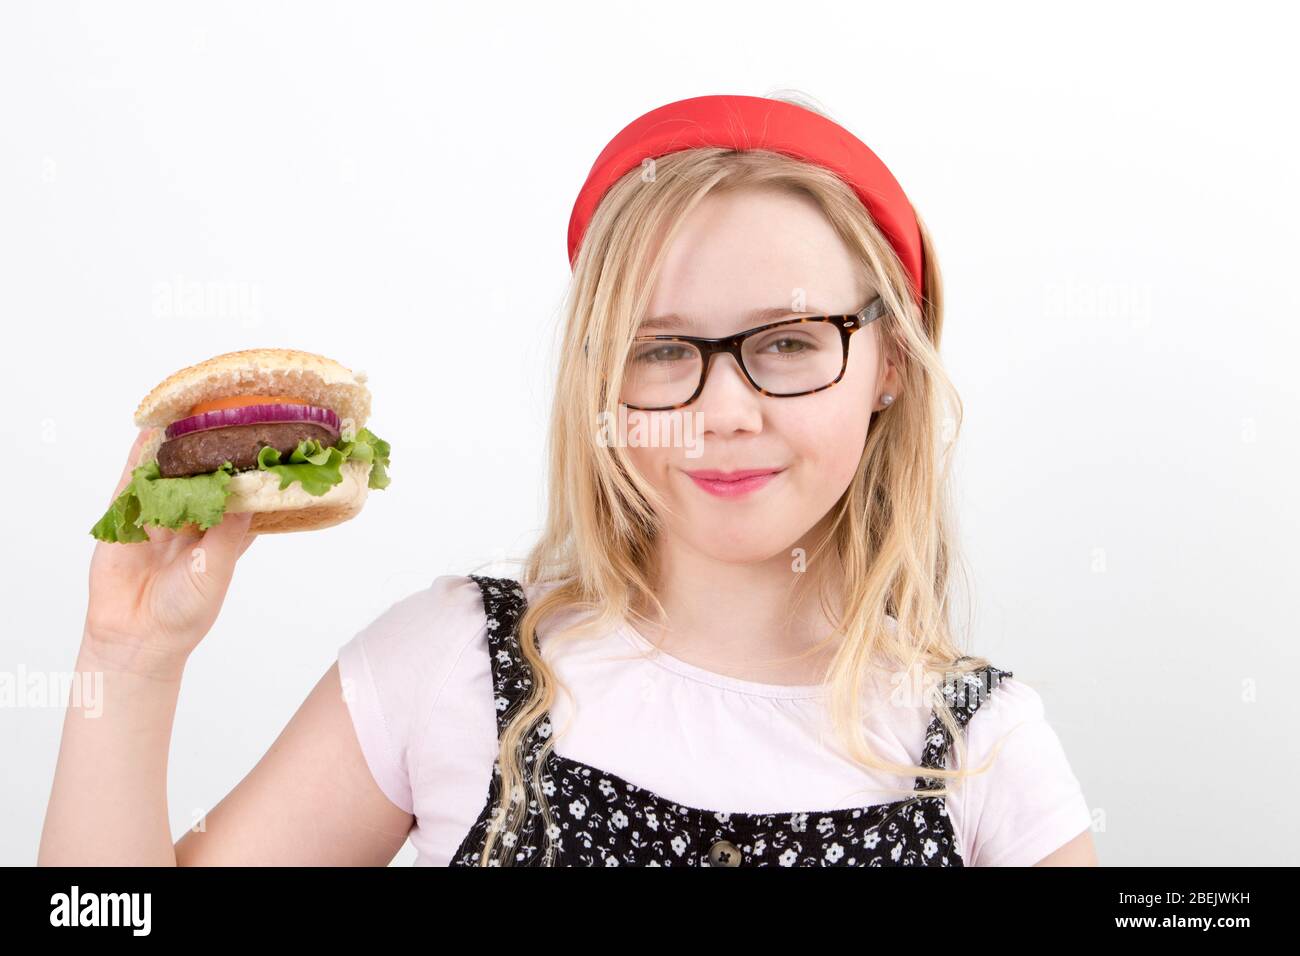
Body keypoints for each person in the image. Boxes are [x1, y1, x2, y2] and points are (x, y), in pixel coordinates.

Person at [39, 92, 1097, 867]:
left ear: (888, 364)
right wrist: (128, 659)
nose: (723, 410)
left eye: (785, 340)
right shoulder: (449, 662)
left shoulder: (984, 754)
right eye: (660, 348)